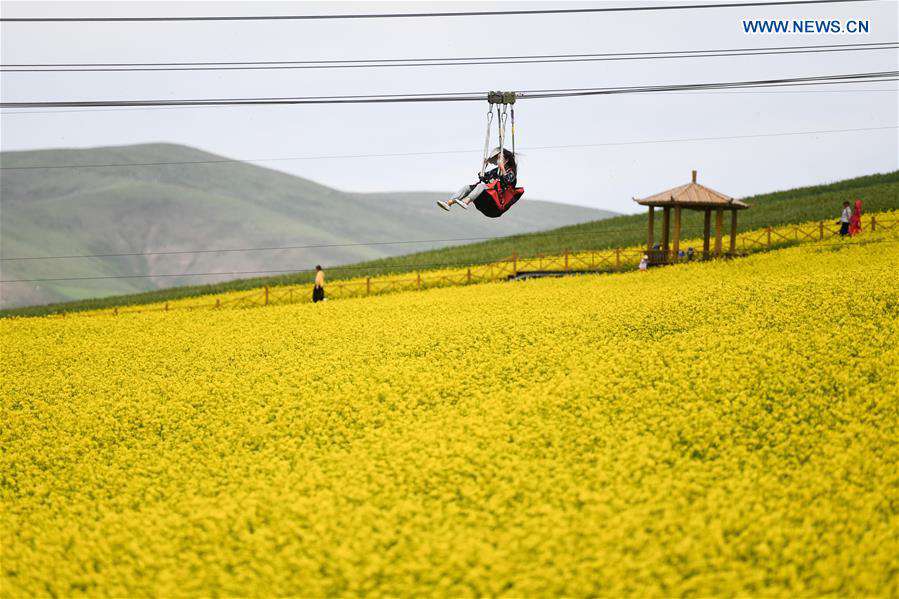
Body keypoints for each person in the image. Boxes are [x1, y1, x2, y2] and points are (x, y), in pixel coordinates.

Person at [437, 148, 520, 213]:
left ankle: (466, 202)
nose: (498, 161)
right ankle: (448, 203)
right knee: (467, 187)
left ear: (506, 160)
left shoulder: (511, 172)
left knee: (481, 186)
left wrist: (502, 168)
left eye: (500, 159)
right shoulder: (496, 170)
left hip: (498, 196)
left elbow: (507, 181)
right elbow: (484, 178)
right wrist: (484, 168)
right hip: (489, 191)